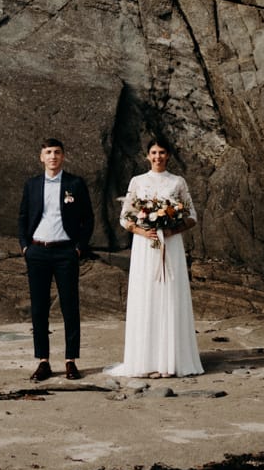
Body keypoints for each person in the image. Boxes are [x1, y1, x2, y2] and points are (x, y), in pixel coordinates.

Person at [108, 138, 203, 378]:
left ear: (168, 155)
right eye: (153, 152)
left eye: (162, 152)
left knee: (170, 294)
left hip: (170, 245)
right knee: (146, 295)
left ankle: (172, 361)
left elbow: (192, 216)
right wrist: (142, 231)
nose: (158, 156)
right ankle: (146, 361)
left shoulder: (177, 181)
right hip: (145, 246)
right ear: (147, 156)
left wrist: (171, 229)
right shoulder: (138, 181)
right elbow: (125, 217)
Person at [17, 137, 95, 382]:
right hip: (37, 252)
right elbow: (22, 216)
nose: (53, 156)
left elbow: (88, 219)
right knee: (39, 308)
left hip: (65, 253)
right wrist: (24, 247)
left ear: (63, 156)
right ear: (41, 157)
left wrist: (80, 248)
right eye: (48, 152)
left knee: (69, 307)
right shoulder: (32, 185)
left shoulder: (75, 183)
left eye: (57, 152)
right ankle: (43, 361)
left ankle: (70, 360)